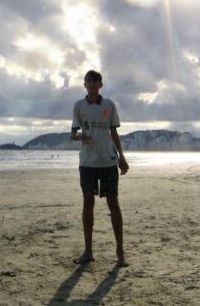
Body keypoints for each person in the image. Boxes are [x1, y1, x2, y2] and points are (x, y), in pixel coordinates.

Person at [69, 70, 129, 267]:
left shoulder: (109, 105)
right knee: (88, 203)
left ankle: (120, 251)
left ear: (100, 85)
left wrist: (122, 157)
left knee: (114, 204)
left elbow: (113, 132)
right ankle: (88, 251)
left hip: (108, 161)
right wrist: (80, 137)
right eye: (88, 82)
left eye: (95, 82)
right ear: (84, 84)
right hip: (87, 162)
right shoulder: (79, 106)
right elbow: (73, 133)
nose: (92, 85)